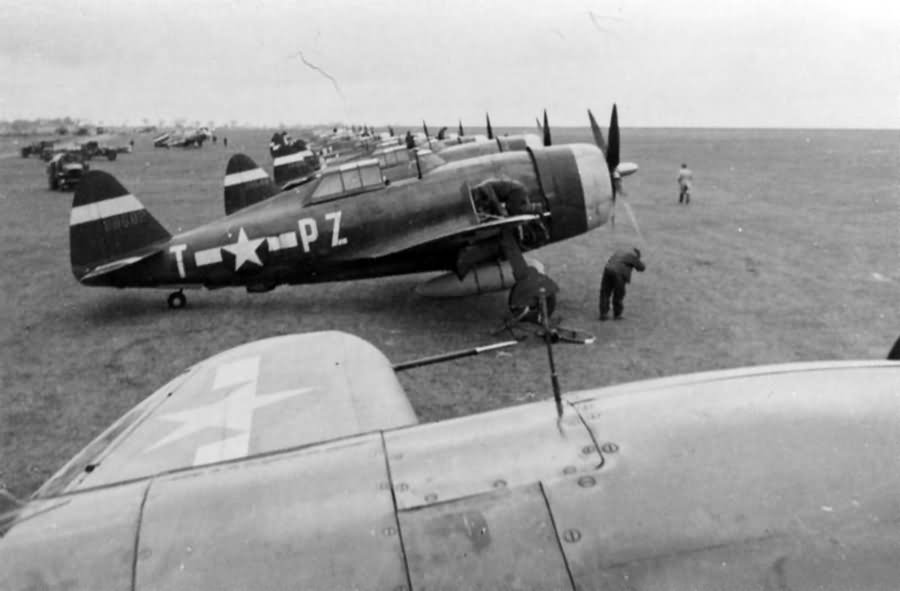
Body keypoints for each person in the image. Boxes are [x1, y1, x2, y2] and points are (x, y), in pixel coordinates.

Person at [599, 247, 645, 321]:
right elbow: (642, 268)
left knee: (605, 292)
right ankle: (617, 315)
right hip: (618, 274)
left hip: (607, 269)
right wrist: (637, 260)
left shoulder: (619, 252)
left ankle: (603, 314)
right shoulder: (633, 256)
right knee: (618, 294)